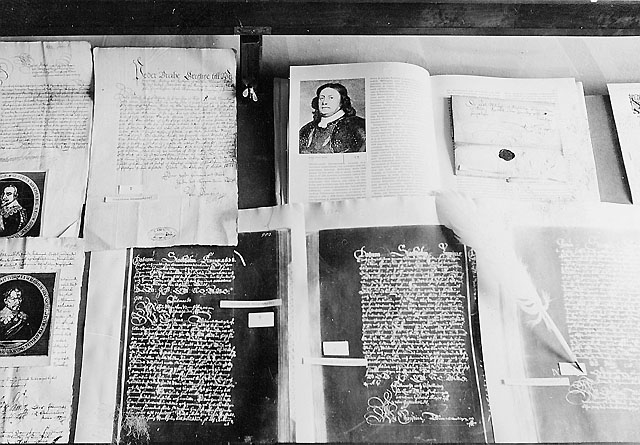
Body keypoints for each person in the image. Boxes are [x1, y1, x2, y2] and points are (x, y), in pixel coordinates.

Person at [299, 82, 366, 154]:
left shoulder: (357, 126)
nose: (324, 102)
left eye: (331, 98)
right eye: (321, 98)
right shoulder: (306, 129)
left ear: (342, 101)